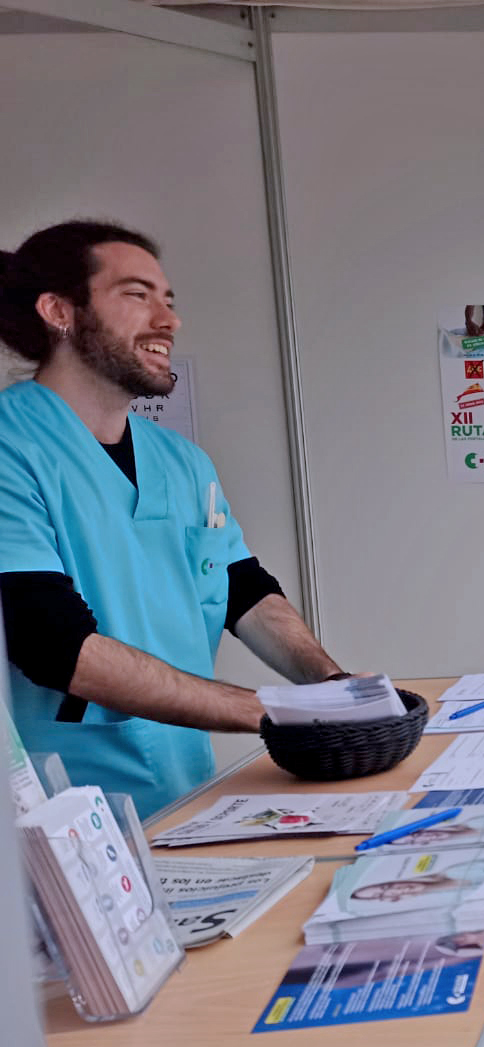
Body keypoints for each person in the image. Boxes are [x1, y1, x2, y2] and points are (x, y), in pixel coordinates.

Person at [0, 221, 348, 818]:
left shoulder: (181, 461)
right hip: (66, 820)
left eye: (168, 301)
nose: (168, 321)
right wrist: (273, 714)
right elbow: (52, 644)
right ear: (58, 309)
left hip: (188, 798)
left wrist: (333, 686)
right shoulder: (12, 445)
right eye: (138, 296)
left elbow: (242, 587)